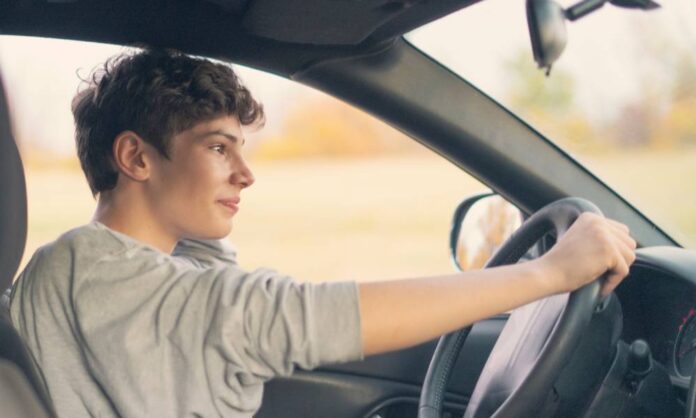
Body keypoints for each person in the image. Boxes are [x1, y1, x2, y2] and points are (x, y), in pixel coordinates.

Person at [10, 48, 636, 418]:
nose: (246, 173)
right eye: (218, 147)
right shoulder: (113, 281)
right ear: (136, 158)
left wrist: (200, 198)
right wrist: (548, 275)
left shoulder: (90, 265)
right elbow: (293, 314)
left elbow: (224, 295)